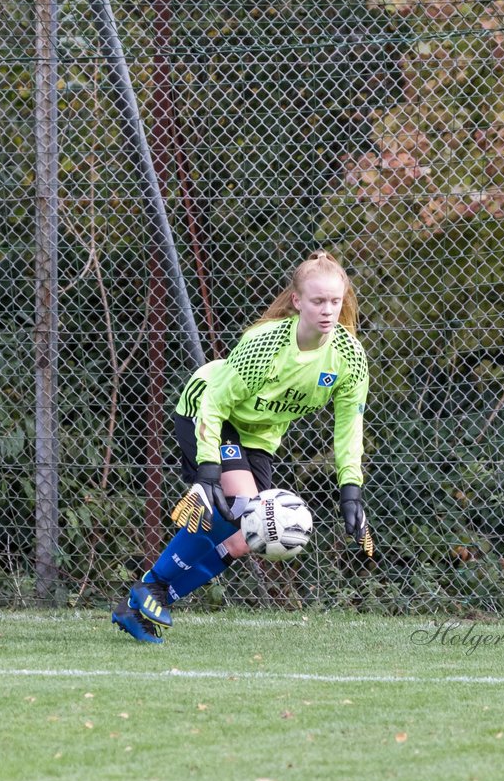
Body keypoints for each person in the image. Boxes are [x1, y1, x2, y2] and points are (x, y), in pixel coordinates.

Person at [112, 250, 374, 643]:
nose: (327, 310)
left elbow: (349, 427)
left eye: (335, 301)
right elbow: (215, 403)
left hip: (259, 437)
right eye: (318, 301)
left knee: (255, 533)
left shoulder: (348, 358)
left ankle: (150, 599)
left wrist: (351, 490)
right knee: (242, 508)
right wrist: (208, 472)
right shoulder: (265, 344)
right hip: (207, 410)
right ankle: (153, 587)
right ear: (298, 301)